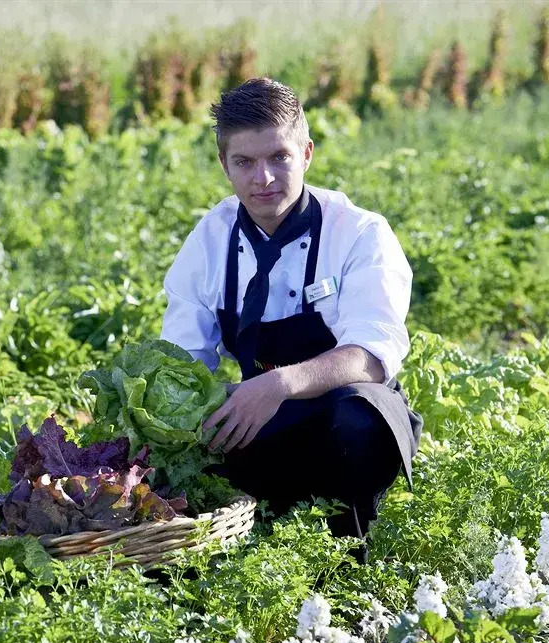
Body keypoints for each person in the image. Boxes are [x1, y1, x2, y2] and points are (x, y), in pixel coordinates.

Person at [160, 78, 422, 553]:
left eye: (278, 157)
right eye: (244, 162)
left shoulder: (361, 233)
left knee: (359, 420)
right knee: (174, 457)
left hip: (341, 416)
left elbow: (373, 356)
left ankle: (349, 552)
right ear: (224, 164)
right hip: (258, 421)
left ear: (306, 153)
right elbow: (182, 362)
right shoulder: (210, 240)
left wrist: (278, 386)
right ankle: (242, 543)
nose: (263, 179)